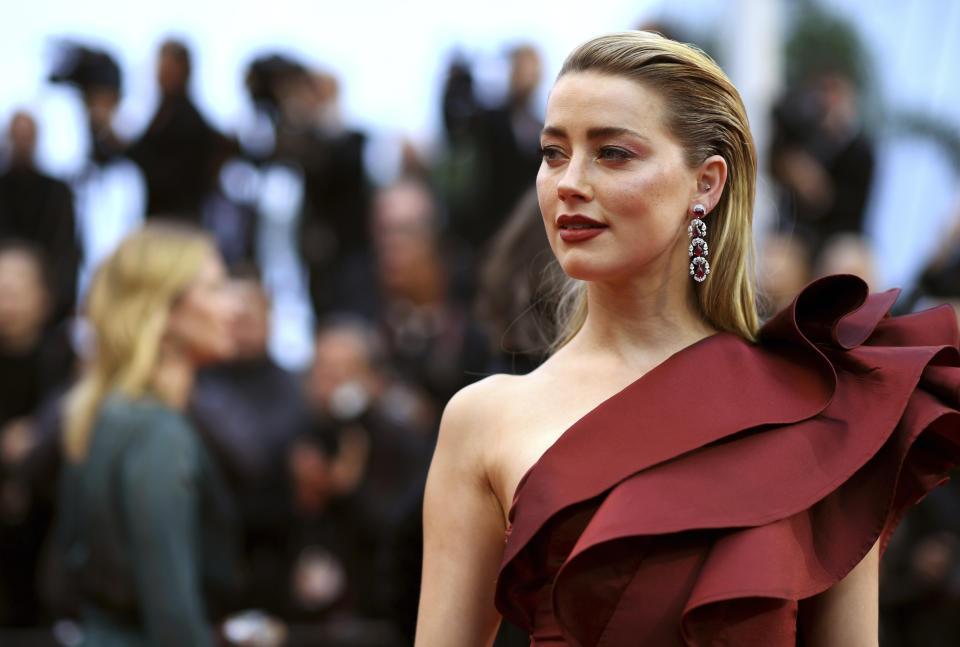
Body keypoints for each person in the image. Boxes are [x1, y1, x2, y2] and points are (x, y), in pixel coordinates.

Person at [416, 31, 960, 647]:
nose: (569, 181)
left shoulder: (823, 406)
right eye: (552, 152)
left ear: (706, 183)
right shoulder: (484, 420)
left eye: (613, 152)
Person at [47, 223, 240, 646]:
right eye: (215, 288)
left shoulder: (101, 413)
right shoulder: (157, 432)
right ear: (162, 310)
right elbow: (173, 620)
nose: (234, 307)